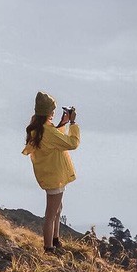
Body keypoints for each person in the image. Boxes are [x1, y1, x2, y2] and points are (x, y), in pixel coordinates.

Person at [22, 91, 80, 254]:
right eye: (52, 110)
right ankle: (49, 248)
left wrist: (62, 123)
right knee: (51, 213)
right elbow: (72, 143)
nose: (54, 112)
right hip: (55, 176)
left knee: (57, 209)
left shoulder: (39, 127)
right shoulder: (46, 131)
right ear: (47, 112)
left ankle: (55, 239)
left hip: (51, 174)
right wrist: (73, 123)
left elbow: (55, 139)